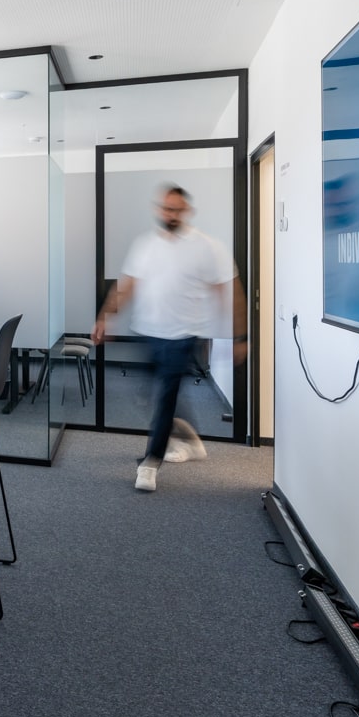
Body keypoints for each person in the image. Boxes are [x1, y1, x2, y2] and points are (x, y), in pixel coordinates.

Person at [92, 184, 246, 492]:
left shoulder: (207, 246)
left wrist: (239, 336)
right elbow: (126, 286)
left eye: (176, 210)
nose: (170, 214)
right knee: (149, 396)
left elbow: (230, 291)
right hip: (149, 332)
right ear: (158, 209)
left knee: (164, 399)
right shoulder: (145, 245)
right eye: (165, 208)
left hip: (183, 335)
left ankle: (151, 463)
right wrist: (105, 317)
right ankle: (189, 440)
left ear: (187, 211)